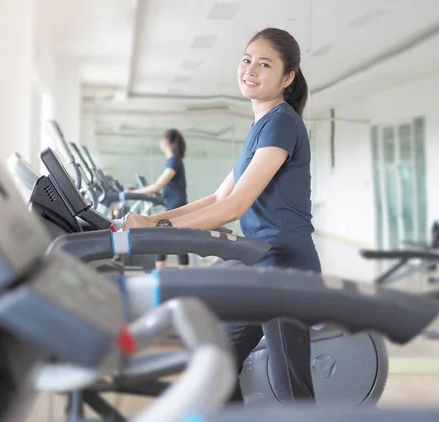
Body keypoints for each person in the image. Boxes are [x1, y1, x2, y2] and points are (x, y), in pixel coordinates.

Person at [123, 27, 321, 404]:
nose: (251, 69)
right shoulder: (261, 127)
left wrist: (159, 229)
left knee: (292, 389)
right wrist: (152, 223)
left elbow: (233, 207)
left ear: (287, 78)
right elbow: (217, 195)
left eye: (265, 64)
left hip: (285, 270)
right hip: (262, 266)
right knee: (219, 362)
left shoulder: (281, 122)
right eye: (247, 60)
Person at [126, 128, 189, 270]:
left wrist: (132, 192)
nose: (160, 141)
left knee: (160, 238)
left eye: (162, 138)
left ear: (167, 141)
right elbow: (166, 187)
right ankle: (180, 274)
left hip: (176, 206)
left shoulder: (173, 161)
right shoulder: (173, 161)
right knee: (174, 240)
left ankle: (162, 275)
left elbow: (158, 185)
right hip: (174, 204)